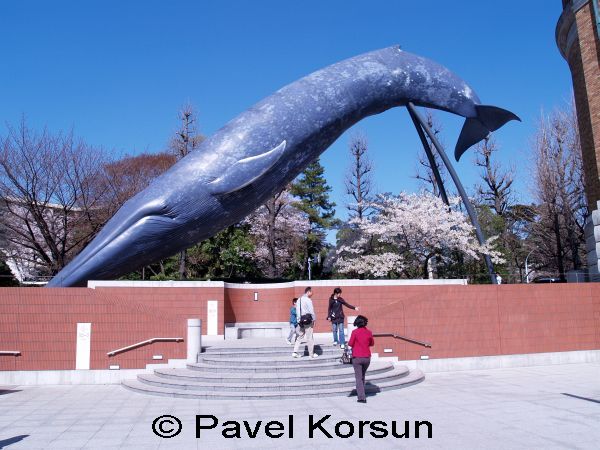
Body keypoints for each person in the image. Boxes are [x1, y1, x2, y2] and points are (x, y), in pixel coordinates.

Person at [348, 315, 374, 403]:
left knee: (359, 378)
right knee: (362, 376)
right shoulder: (369, 332)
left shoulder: (355, 332)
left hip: (357, 357)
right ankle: (361, 392)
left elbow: (350, 343)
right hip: (367, 357)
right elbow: (372, 343)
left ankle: (361, 397)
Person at [292, 287, 318, 358]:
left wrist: (298, 320)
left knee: (300, 336)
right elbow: (311, 311)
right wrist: (314, 319)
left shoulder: (298, 300)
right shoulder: (308, 300)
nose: (312, 294)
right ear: (308, 292)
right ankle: (311, 354)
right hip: (308, 320)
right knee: (309, 337)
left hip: (300, 321)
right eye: (311, 292)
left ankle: (295, 352)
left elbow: (297, 311)